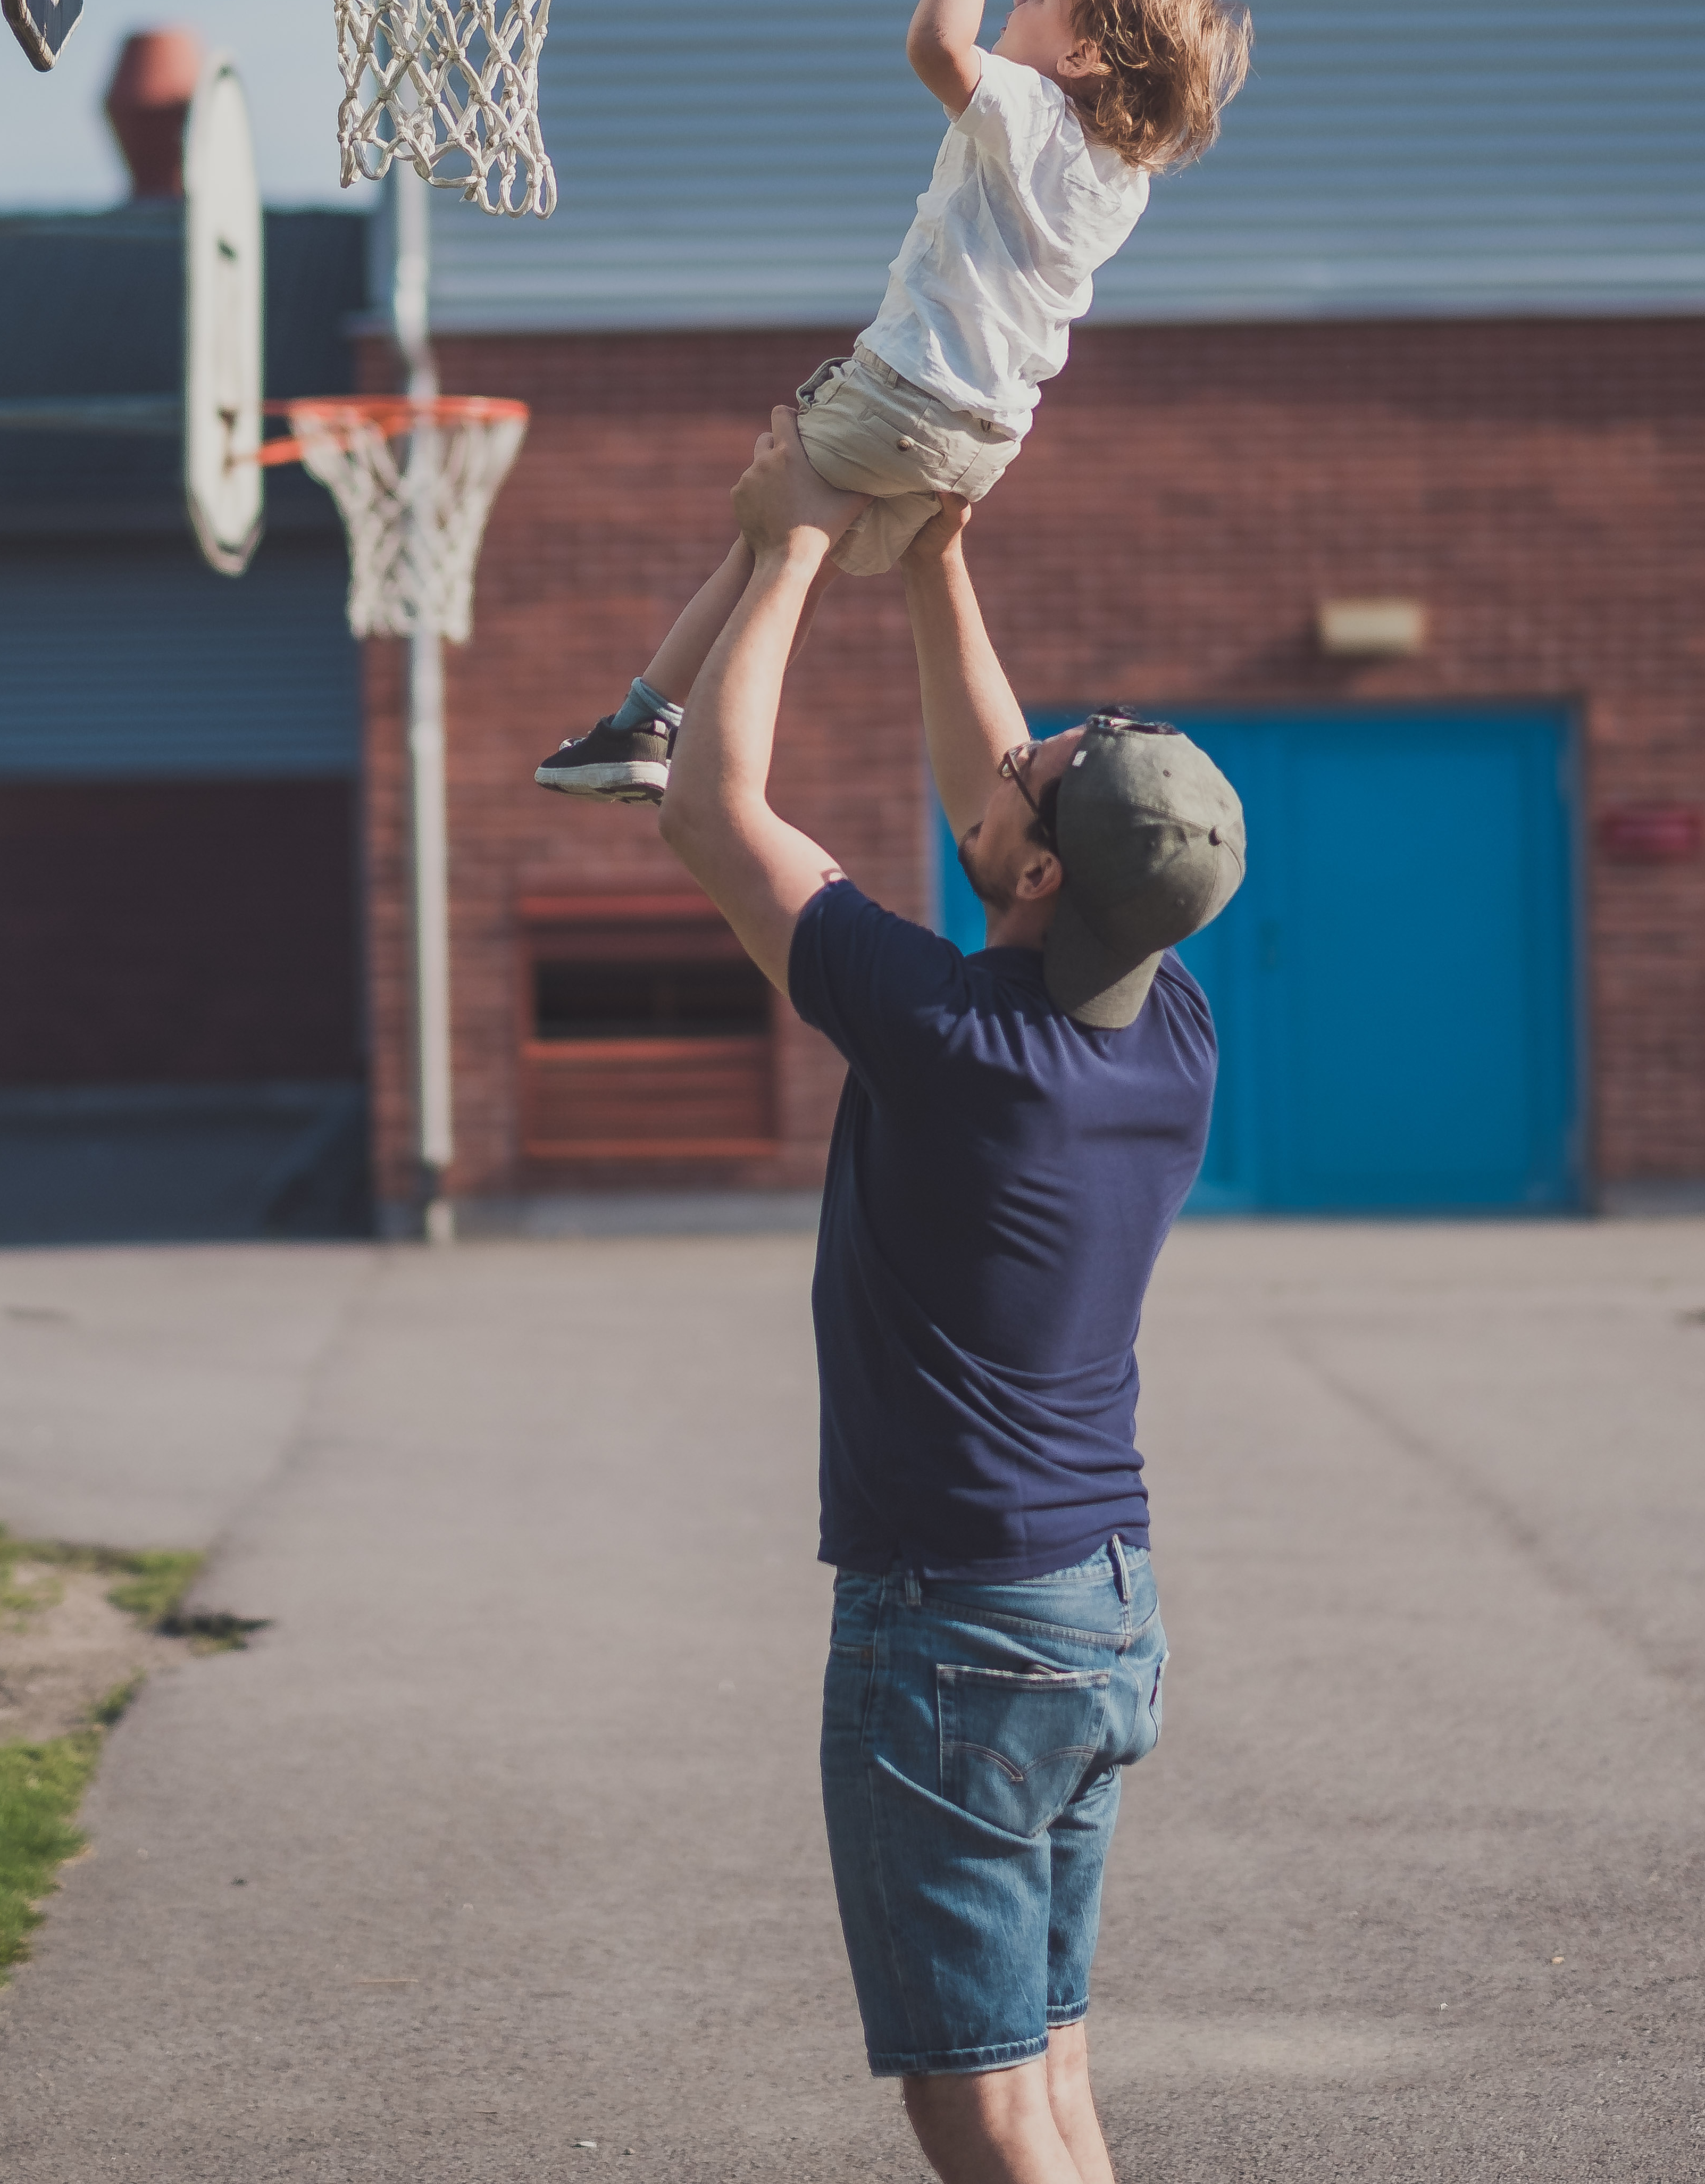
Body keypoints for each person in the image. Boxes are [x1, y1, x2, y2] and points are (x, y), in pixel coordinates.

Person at [655, 406, 1244, 2184]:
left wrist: (790, 541)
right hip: (1095, 1613)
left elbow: (708, 808)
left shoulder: (948, 1036)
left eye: (1042, 776)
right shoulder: (1168, 1031)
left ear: (1046, 871)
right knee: (1045, 2068)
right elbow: (1012, 800)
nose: (1018, 753)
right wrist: (945, 561)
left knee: (980, 2092)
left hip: (968, 1626)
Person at [536, 0, 1250, 803]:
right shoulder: (1124, 178)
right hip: (985, 442)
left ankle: (650, 720)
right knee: (804, 556)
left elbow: (937, 47)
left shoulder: (1034, 111)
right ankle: (673, 720)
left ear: (1082, 60)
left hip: (906, 397)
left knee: (769, 539)